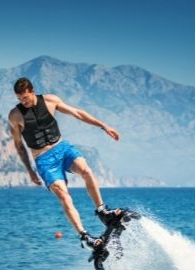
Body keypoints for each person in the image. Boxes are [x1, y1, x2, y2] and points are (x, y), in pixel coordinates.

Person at [8, 77, 124, 259]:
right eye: (19, 99)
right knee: (64, 195)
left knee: (86, 171)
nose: (23, 102)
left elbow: (78, 113)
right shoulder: (15, 115)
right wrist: (30, 170)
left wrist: (104, 126)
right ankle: (85, 237)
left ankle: (102, 211)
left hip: (62, 149)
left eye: (25, 98)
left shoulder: (50, 100)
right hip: (44, 160)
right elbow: (19, 145)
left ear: (32, 91)